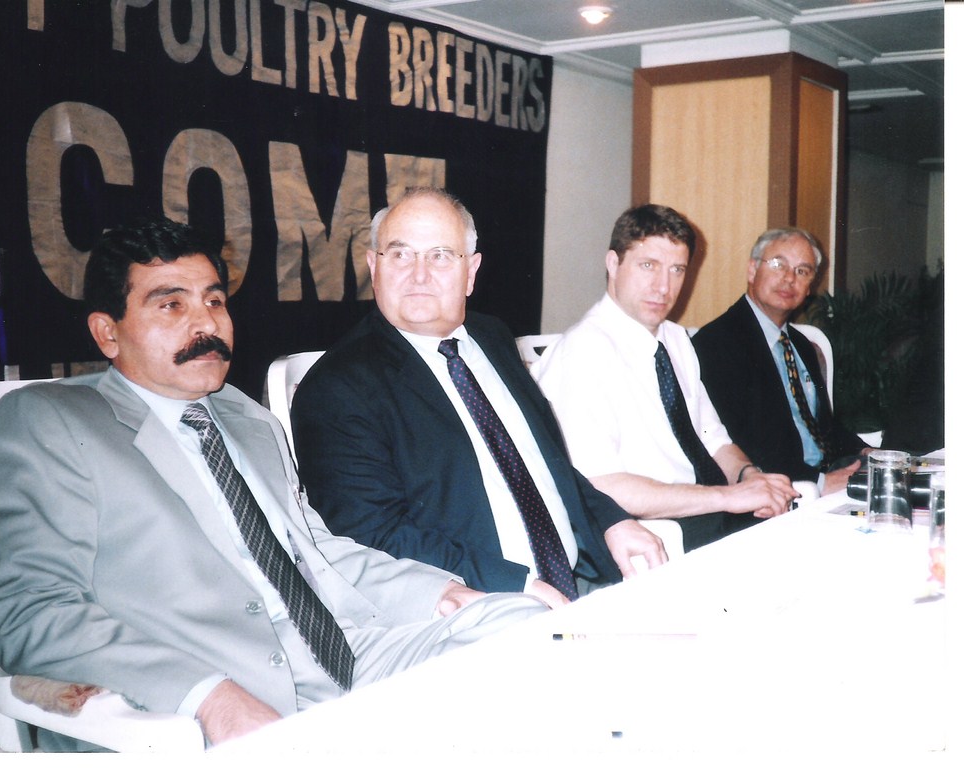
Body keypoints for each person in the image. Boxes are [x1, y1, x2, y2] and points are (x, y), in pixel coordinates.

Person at [0, 218, 548, 750]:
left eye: (214, 301)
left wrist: (440, 594)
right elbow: (29, 616)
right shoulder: (49, 421)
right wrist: (208, 696)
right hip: (215, 692)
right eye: (170, 305)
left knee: (527, 629)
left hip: (347, 653)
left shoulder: (246, 417)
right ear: (107, 333)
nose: (206, 324)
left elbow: (316, 550)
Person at [290, 187, 666, 608]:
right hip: (477, 605)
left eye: (440, 256)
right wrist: (516, 585)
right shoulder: (337, 389)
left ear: (470, 272)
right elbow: (371, 535)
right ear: (373, 266)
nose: (419, 275)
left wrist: (611, 520)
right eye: (400, 255)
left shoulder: (491, 337)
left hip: (582, 578)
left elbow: (541, 463)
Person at [532, 204, 797, 551]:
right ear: (613, 264)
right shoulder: (583, 354)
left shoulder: (675, 339)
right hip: (652, 530)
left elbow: (713, 438)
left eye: (677, 270)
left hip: (706, 511)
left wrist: (750, 477)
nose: (663, 287)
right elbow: (601, 485)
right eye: (648, 266)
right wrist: (728, 497)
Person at [691, 227, 870, 494]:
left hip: (826, 477)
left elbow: (823, 426)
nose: (789, 279)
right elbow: (738, 442)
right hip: (776, 491)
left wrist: (866, 451)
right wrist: (819, 483)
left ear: (809, 288)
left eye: (802, 271)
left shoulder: (801, 345)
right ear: (752, 270)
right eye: (778, 265)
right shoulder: (717, 343)